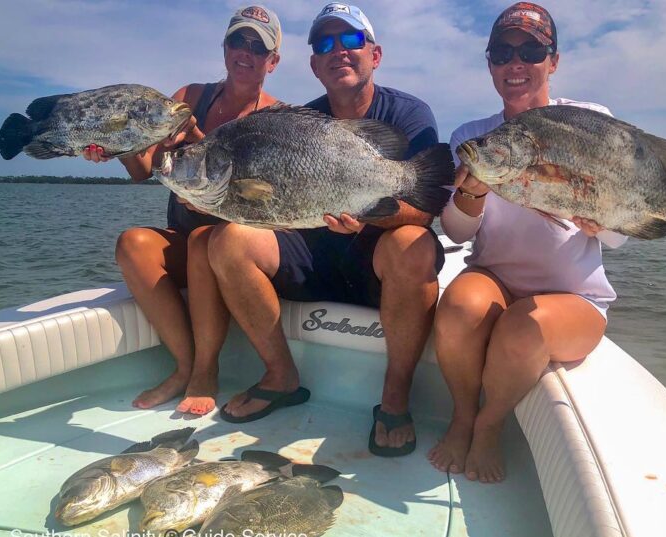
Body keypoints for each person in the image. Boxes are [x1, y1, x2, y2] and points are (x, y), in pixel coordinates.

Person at [191, 2, 444, 456]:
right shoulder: (298, 122)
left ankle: (395, 396)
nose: (338, 52)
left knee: (414, 244)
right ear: (313, 64)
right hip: (315, 251)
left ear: (375, 54)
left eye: (350, 40)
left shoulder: (409, 112)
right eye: (325, 44)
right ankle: (280, 376)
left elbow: (423, 209)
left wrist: (365, 216)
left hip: (376, 263)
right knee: (229, 240)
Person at [427, 2, 628, 482]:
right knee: (455, 309)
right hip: (495, 277)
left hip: (576, 299)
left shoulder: (589, 120)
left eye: (531, 50)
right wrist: (471, 197)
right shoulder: (472, 137)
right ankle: (461, 415)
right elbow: (456, 233)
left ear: (552, 61)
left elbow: (619, 238)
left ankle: (488, 426)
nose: (515, 63)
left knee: (522, 326)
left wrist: (600, 219)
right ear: (491, 64)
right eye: (502, 52)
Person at [82, 6, 282, 415]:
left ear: (272, 61)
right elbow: (143, 170)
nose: (245, 51)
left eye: (257, 46)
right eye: (237, 41)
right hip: (186, 232)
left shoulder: (276, 117)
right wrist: (116, 148)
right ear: (224, 49)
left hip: (234, 240)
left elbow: (263, 200)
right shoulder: (190, 98)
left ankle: (205, 371)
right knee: (132, 244)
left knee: (204, 240)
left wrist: (198, 138)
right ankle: (184, 365)